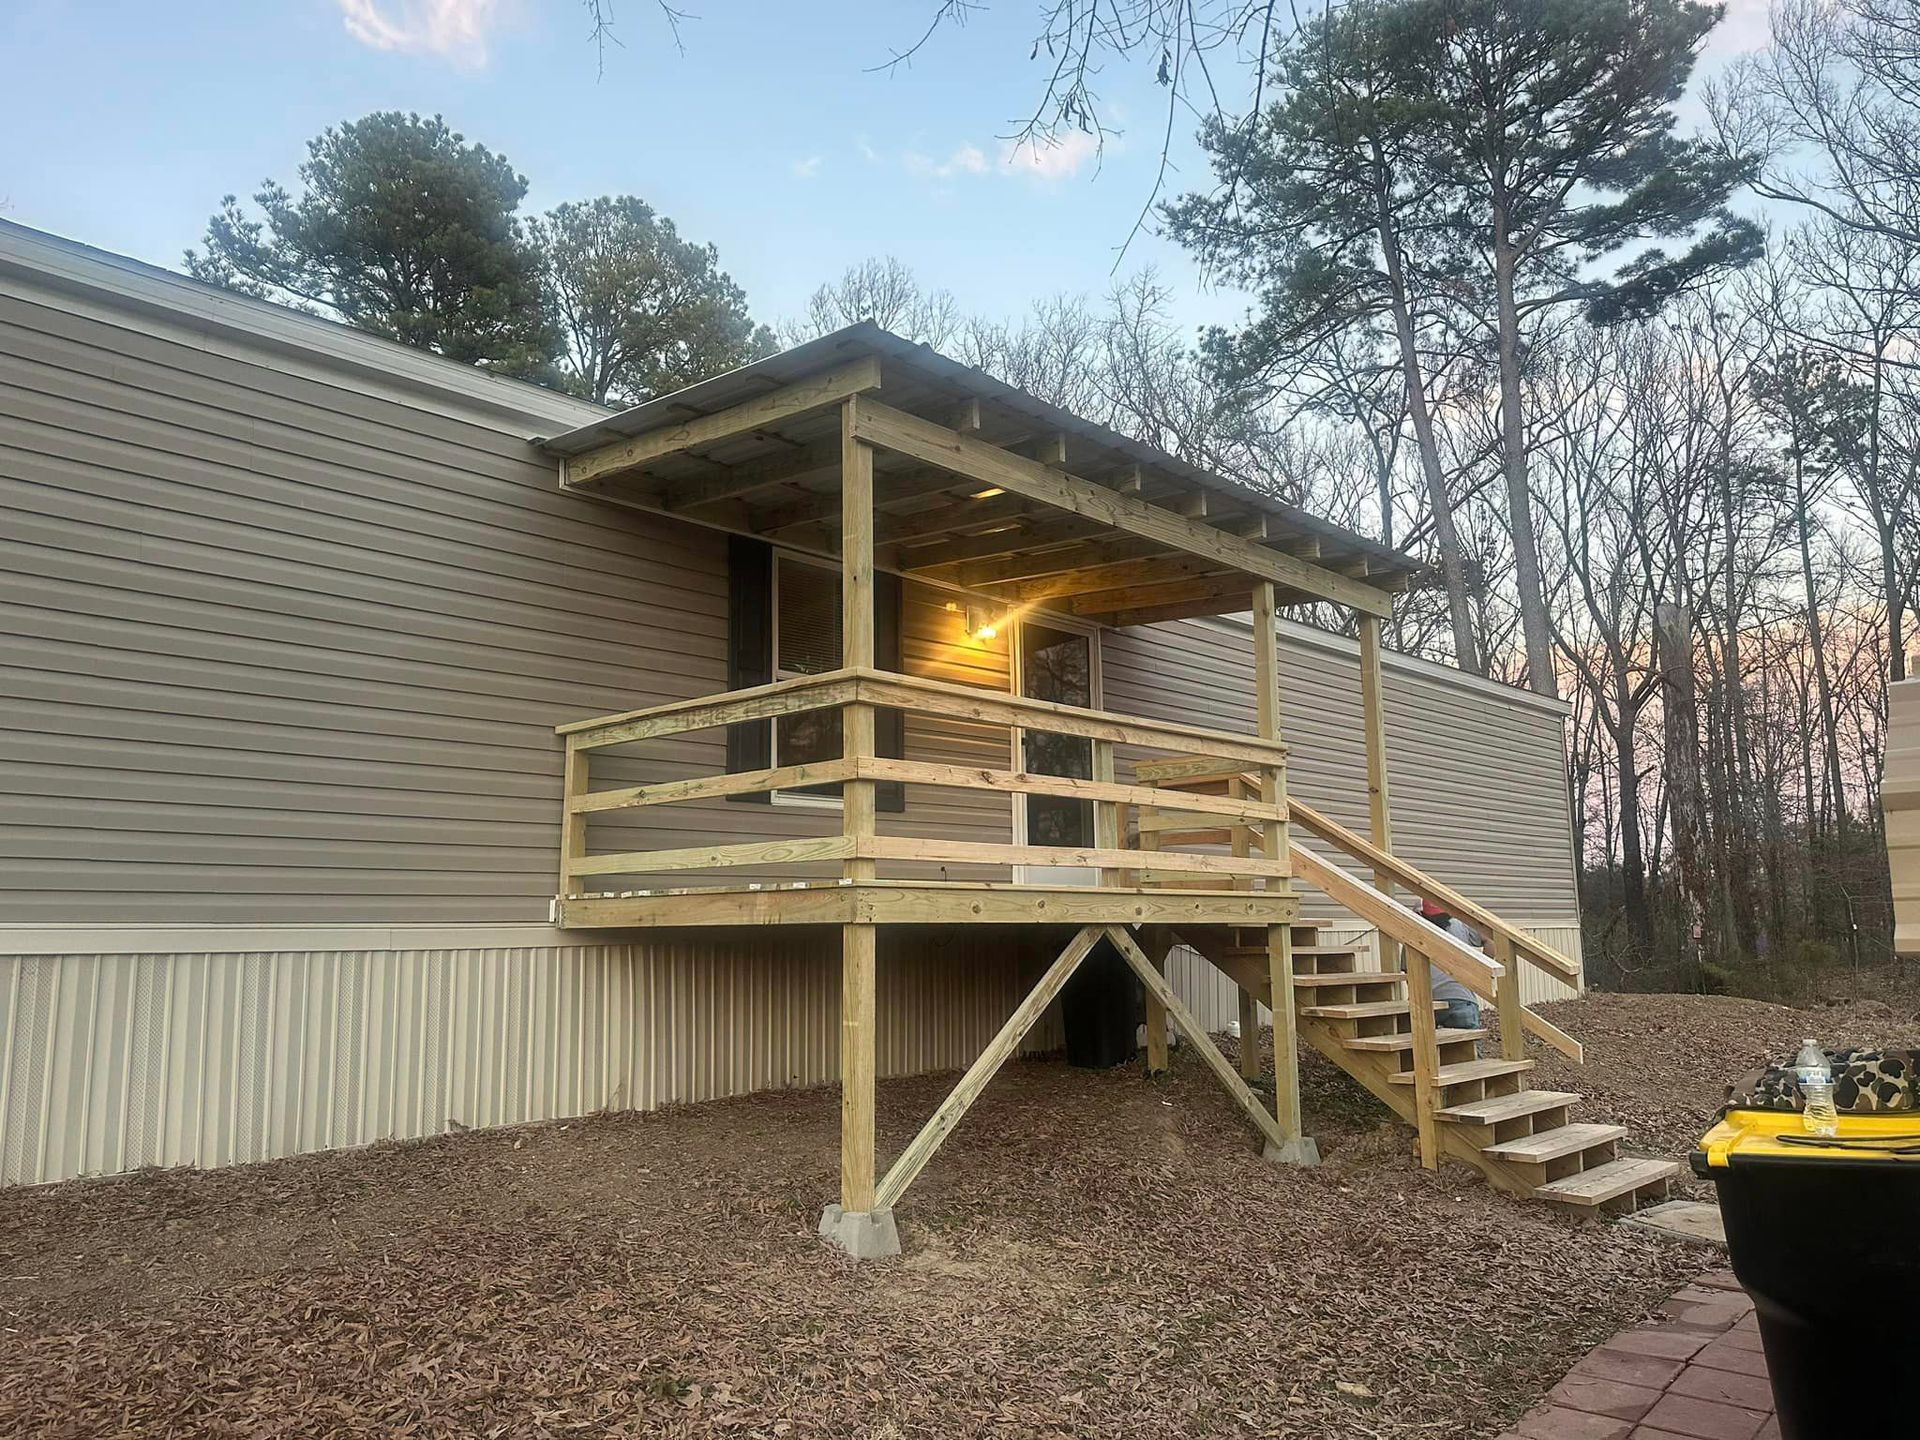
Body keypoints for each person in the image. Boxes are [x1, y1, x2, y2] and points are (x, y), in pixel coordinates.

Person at [1417, 898, 1482, 1031]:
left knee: (1430, 1049)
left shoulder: (1415, 932)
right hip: (1462, 999)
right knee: (1468, 1049)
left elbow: (1409, 974)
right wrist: (1481, 971)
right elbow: (1491, 941)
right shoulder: (1459, 925)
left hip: (1429, 1000)